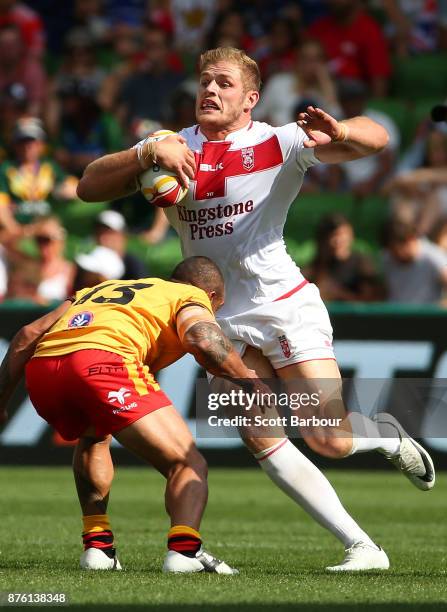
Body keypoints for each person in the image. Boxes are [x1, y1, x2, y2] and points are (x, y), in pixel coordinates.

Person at [77, 46, 435, 572]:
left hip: (282, 303)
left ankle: (382, 432)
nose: (210, 90)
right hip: (216, 317)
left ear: (251, 99)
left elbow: (377, 139)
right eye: (204, 81)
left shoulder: (279, 141)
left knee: (329, 439)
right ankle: (363, 548)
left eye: (223, 82)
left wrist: (339, 132)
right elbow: (87, 186)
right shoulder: (171, 148)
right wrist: (143, 153)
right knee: (262, 438)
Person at [0, 255, 267, 574]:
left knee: (94, 437)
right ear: (211, 296)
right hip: (103, 363)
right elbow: (203, 338)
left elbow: (28, 334)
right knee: (187, 463)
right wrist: (248, 379)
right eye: (217, 308)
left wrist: (2, 400)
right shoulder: (190, 296)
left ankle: (98, 549)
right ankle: (185, 552)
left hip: (45, 371)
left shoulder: (100, 289)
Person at [306, 213, 382, 302]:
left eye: (341, 234)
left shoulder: (362, 264)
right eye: (332, 236)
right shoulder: (317, 267)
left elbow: (369, 301)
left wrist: (339, 294)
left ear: (351, 235)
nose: (337, 241)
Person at [382, 219, 447, 304]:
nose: (395, 255)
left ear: (410, 239)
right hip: (395, 315)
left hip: (426, 315)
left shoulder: (434, 257)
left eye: (396, 250)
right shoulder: (387, 258)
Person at [93, 209, 148, 279]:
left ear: (123, 236)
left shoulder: (134, 266)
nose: (102, 239)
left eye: (109, 233)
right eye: (99, 233)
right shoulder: (86, 262)